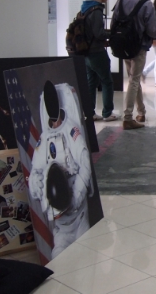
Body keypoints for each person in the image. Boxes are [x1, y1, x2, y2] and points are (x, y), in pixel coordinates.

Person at [30, 81, 92, 258]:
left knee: (86, 256)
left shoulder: (72, 131)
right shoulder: (44, 138)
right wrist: (36, 184)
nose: (55, 121)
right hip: (60, 222)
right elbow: (35, 170)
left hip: (78, 214)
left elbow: (85, 164)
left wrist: (76, 196)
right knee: (58, 256)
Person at [112, 0, 156, 129]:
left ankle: (141, 112)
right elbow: (152, 30)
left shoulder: (120, 1)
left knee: (133, 78)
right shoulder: (147, 4)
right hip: (139, 47)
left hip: (123, 45)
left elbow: (113, 23)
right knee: (134, 79)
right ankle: (127, 117)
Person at [83, 0, 118, 122]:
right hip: (97, 52)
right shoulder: (96, 11)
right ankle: (107, 113)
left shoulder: (85, 8)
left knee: (91, 82)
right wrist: (113, 34)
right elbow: (98, 33)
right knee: (107, 81)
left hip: (86, 51)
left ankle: (90, 113)